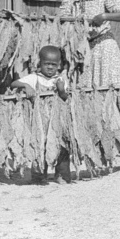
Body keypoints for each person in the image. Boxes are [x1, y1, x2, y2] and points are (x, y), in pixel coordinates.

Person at [10, 44, 71, 182]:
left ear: (59, 65)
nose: (50, 67)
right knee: (39, 146)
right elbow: (13, 84)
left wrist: (61, 90)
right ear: (40, 63)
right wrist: (26, 86)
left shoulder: (60, 80)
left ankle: (62, 175)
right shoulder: (33, 78)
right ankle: (38, 176)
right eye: (47, 64)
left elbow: (65, 98)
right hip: (39, 121)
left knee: (62, 147)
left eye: (54, 65)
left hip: (56, 121)